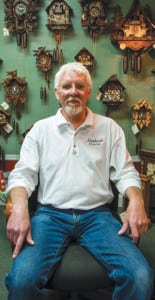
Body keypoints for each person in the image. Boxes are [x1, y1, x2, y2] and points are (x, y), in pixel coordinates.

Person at [5, 62, 154, 300]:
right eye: (66, 86)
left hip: (98, 216)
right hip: (50, 216)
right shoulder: (40, 131)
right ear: (57, 93)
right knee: (21, 280)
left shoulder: (110, 128)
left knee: (141, 276)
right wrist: (20, 207)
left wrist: (136, 200)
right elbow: (23, 174)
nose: (73, 91)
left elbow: (126, 172)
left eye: (79, 86)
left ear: (88, 92)